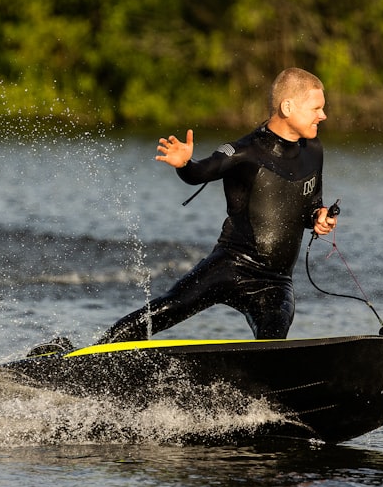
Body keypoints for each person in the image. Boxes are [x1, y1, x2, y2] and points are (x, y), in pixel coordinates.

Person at [96, 67, 338, 344]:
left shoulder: (314, 150)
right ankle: (94, 356)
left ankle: (255, 383)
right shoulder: (245, 151)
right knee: (166, 309)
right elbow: (199, 173)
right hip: (229, 267)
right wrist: (185, 164)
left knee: (272, 343)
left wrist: (319, 217)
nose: (323, 115)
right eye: (316, 108)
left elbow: (312, 203)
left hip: (275, 282)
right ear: (287, 106)